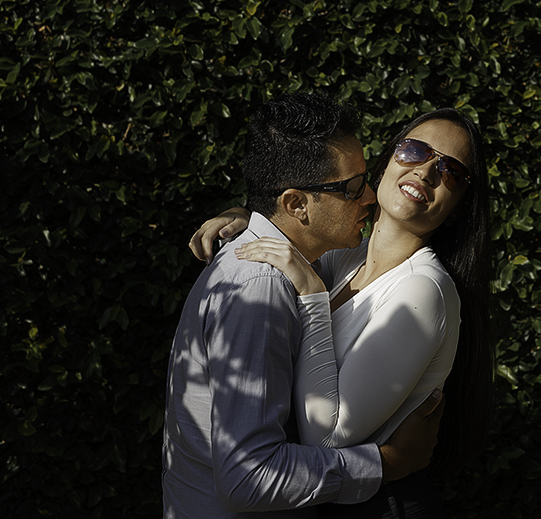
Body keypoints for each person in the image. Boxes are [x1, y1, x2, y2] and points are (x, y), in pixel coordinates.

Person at [188, 106, 494, 518]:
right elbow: (299, 224)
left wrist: (313, 296)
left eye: (452, 171)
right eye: (415, 151)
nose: (426, 172)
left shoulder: (424, 290)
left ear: (457, 206)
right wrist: (247, 218)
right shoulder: (347, 258)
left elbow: (327, 438)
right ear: (385, 164)